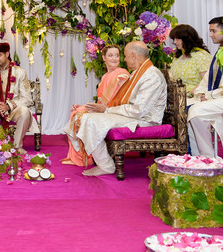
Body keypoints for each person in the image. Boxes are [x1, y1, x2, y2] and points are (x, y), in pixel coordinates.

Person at [64, 41, 167, 176]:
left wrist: (106, 110)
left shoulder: (151, 75)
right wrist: (104, 109)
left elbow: (138, 110)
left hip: (146, 120)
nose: (123, 59)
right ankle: (103, 163)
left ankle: (105, 166)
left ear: (133, 56)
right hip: (134, 115)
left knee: (91, 121)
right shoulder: (139, 72)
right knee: (85, 117)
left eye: (124, 56)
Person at [62, 45, 129, 167]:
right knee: (77, 111)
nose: (114, 58)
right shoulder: (104, 76)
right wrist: (83, 106)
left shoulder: (122, 74)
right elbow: (101, 102)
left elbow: (124, 99)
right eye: (110, 55)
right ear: (104, 58)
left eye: (117, 55)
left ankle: (85, 157)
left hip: (113, 111)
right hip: (103, 109)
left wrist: (103, 109)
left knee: (79, 115)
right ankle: (81, 156)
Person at [187, 17, 223, 157]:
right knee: (184, 107)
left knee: (196, 111)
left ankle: (208, 157)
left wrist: (210, 96)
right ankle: (195, 155)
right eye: (210, 31)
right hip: (215, 97)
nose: (210, 35)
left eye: (213, 31)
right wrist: (200, 94)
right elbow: (207, 80)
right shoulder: (219, 52)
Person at [0, 40, 38, 155]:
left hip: (14, 108)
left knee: (25, 111)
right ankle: (2, 144)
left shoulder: (20, 72)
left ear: (7, 54)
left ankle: (17, 146)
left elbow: (27, 99)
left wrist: (9, 105)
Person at [168, 25, 212, 98]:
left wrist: (188, 94)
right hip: (178, 98)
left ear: (187, 38)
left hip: (196, 97)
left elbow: (207, 81)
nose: (175, 42)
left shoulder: (201, 55)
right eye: (174, 39)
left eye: (178, 38)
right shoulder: (178, 57)